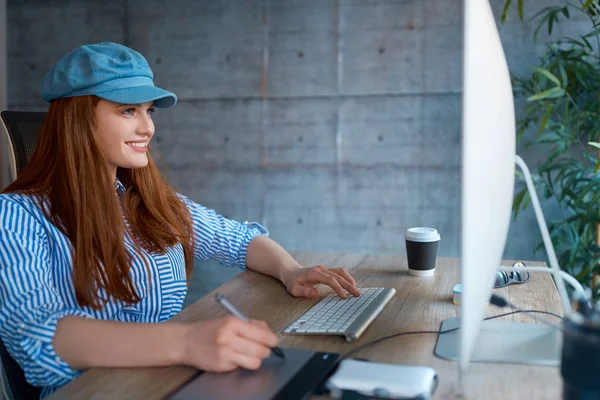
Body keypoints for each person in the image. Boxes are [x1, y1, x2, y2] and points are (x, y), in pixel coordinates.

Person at [0, 42, 361, 398]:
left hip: (171, 380)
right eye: (129, 111)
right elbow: (39, 334)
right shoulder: (17, 216)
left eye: (150, 111)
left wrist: (290, 270)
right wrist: (186, 342)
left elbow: (238, 239)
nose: (147, 128)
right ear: (77, 119)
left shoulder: (149, 202)